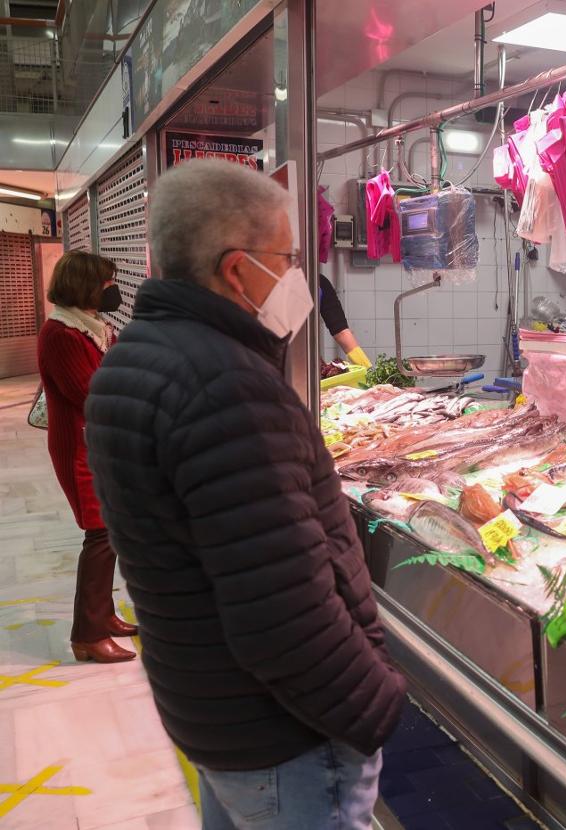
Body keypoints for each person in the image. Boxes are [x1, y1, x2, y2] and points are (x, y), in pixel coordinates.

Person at [84, 159, 405, 830]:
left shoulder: (133, 357)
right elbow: (283, 616)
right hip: (282, 738)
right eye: (286, 258)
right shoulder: (226, 387)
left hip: (209, 707)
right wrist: (375, 701)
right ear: (236, 269)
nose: (294, 277)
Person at [36, 251, 137, 664]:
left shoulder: (91, 329)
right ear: (85, 286)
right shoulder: (61, 333)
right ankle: (88, 636)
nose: (112, 289)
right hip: (80, 448)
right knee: (99, 537)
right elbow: (90, 393)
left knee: (108, 533)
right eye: (106, 282)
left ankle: (103, 614)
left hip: (98, 444)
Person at [318, 273, 371, 366]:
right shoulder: (318, 281)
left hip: (305, 364)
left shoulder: (319, 282)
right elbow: (341, 331)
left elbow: (340, 330)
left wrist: (365, 367)